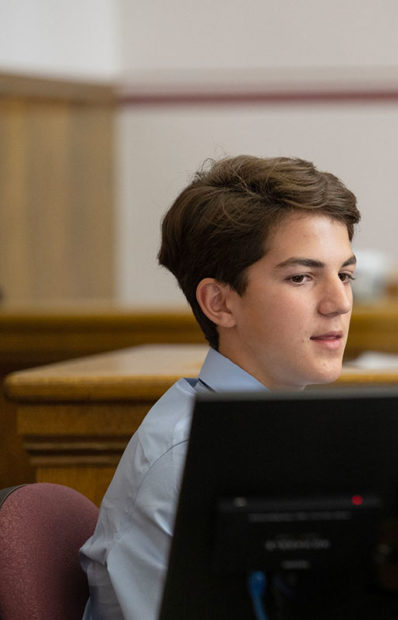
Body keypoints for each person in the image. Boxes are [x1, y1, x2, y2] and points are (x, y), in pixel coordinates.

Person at [79, 155, 361, 619]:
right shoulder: (185, 457)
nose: (339, 303)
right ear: (219, 302)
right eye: (301, 277)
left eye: (345, 275)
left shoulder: (288, 427)